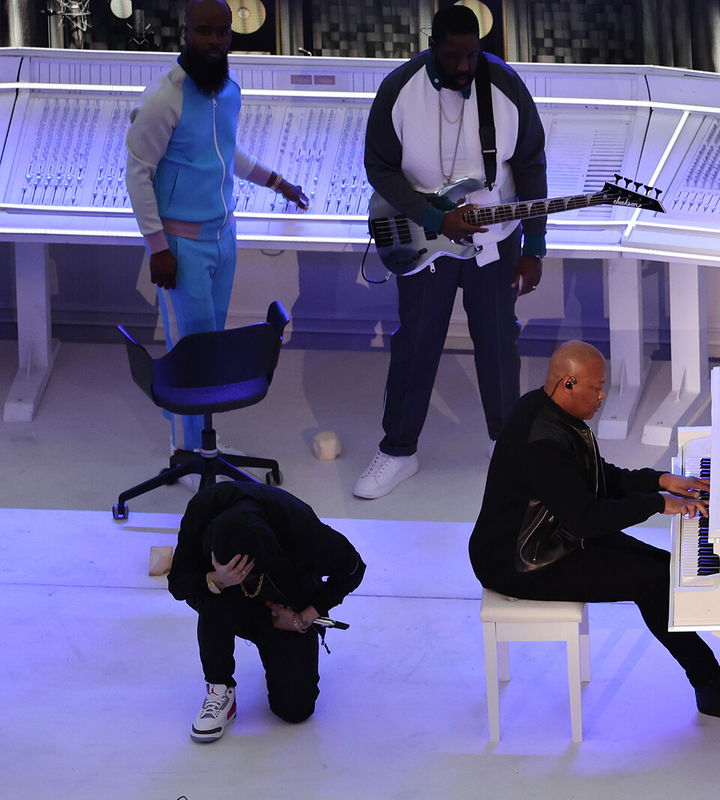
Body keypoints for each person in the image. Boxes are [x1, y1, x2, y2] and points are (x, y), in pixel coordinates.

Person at [469, 341, 720, 723]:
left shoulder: (546, 409)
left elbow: (594, 478)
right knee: (654, 582)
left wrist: (659, 480)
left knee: (667, 568)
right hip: (521, 560)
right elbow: (587, 519)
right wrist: (657, 502)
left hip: (550, 535)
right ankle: (714, 687)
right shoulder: (542, 440)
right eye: (596, 387)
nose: (603, 396)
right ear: (569, 383)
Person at [356, 4, 547, 499]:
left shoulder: (505, 86)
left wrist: (536, 246)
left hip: (495, 241)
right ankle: (398, 451)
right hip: (427, 241)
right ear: (432, 44)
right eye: (453, 55)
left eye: (472, 54)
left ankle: (504, 449)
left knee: (500, 345)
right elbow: (379, 167)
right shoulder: (399, 89)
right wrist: (436, 219)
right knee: (416, 344)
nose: (465, 66)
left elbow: (530, 167)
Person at [125, 0, 308, 457]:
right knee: (190, 347)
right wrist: (158, 248)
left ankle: (201, 438)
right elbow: (137, 172)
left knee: (210, 341)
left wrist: (277, 181)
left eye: (221, 33)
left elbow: (226, 153)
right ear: (186, 32)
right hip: (180, 247)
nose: (213, 42)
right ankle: (188, 452)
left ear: (231, 34)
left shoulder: (227, 91)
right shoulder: (164, 98)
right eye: (203, 32)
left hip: (223, 237)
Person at [167, 482, 365, 742]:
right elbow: (178, 584)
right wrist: (218, 578)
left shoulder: (300, 527)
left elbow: (353, 568)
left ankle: (278, 645)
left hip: (286, 608)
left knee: (295, 710)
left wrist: (303, 617)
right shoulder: (202, 512)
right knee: (210, 596)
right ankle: (219, 688)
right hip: (228, 600)